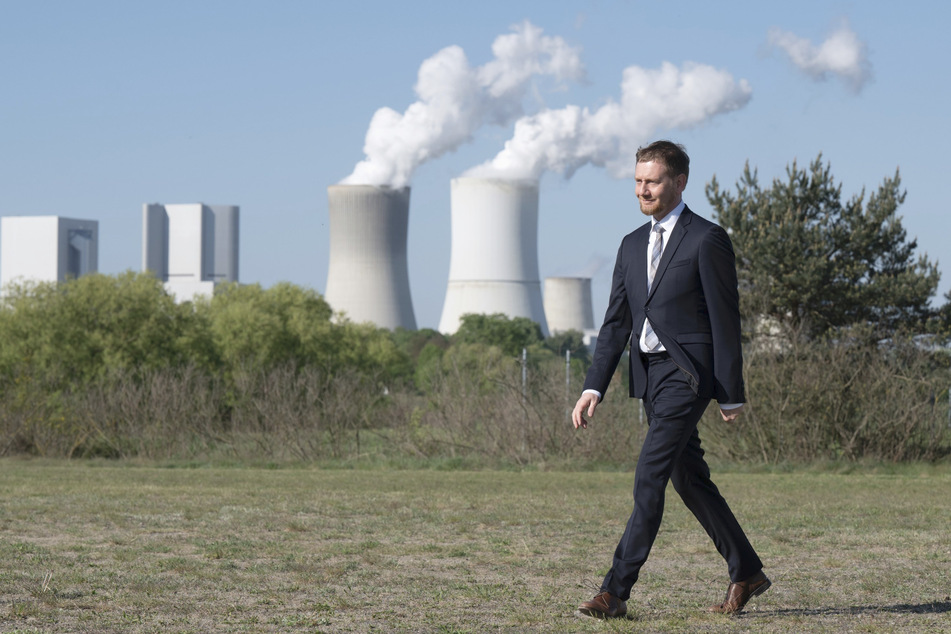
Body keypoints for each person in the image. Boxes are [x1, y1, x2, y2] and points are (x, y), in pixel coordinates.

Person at [572, 140, 770, 618]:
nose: (643, 189)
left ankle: (615, 592)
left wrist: (730, 390)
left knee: (650, 475)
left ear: (678, 182)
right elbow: (616, 323)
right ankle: (746, 569)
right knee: (689, 478)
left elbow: (726, 319)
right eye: (638, 181)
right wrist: (593, 385)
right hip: (650, 377)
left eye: (653, 181)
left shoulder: (706, 238)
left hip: (689, 374)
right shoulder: (629, 245)